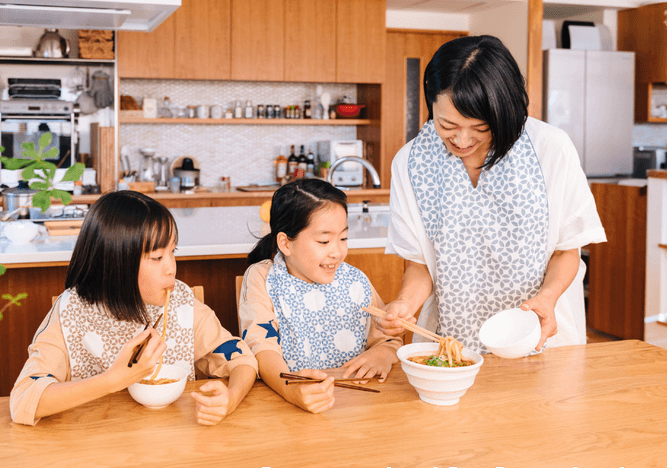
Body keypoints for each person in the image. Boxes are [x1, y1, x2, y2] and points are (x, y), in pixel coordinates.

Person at [378, 35, 606, 354]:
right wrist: (404, 303)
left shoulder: (549, 148)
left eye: (479, 127)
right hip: (450, 345)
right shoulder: (411, 162)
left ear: (504, 110)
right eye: (447, 124)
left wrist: (548, 297)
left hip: (542, 337)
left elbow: (567, 249)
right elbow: (421, 265)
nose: (461, 139)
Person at [10, 191, 258, 426]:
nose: (171, 268)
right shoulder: (72, 313)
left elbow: (241, 358)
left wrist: (232, 397)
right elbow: (24, 400)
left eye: (173, 252)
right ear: (116, 263)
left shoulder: (181, 303)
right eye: (157, 258)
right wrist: (111, 380)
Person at [239, 179, 402, 414]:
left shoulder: (354, 281)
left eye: (343, 238)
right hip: (284, 406)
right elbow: (261, 348)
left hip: (353, 408)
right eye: (324, 241)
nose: (337, 252)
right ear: (285, 243)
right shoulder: (263, 278)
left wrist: (384, 353)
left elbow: (389, 338)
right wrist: (290, 388)